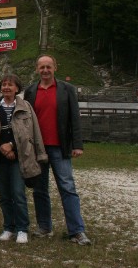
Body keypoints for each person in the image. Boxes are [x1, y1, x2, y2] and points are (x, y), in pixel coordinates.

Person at [23, 55, 91, 245]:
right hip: (38, 149)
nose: (45, 70)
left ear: (55, 68)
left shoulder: (67, 89)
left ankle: (76, 231)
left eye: (48, 67)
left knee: (67, 188)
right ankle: (44, 227)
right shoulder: (31, 91)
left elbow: (74, 118)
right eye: (42, 67)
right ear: (37, 69)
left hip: (60, 147)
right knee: (39, 189)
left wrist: (77, 144)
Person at [0, 74, 47, 244]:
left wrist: (12, 146)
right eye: (4, 84)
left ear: (17, 88)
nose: (6, 87)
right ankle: (8, 227)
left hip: (20, 158)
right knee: (4, 196)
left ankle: (22, 228)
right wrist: (3, 149)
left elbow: (32, 131)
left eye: (10, 85)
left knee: (18, 194)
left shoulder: (25, 107)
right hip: (0, 158)